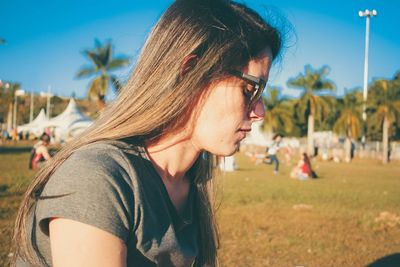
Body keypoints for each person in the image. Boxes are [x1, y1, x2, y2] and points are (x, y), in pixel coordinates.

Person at [12, 1, 283, 266]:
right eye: (250, 90)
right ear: (190, 73)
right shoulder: (98, 178)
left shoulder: (193, 180)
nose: (260, 111)